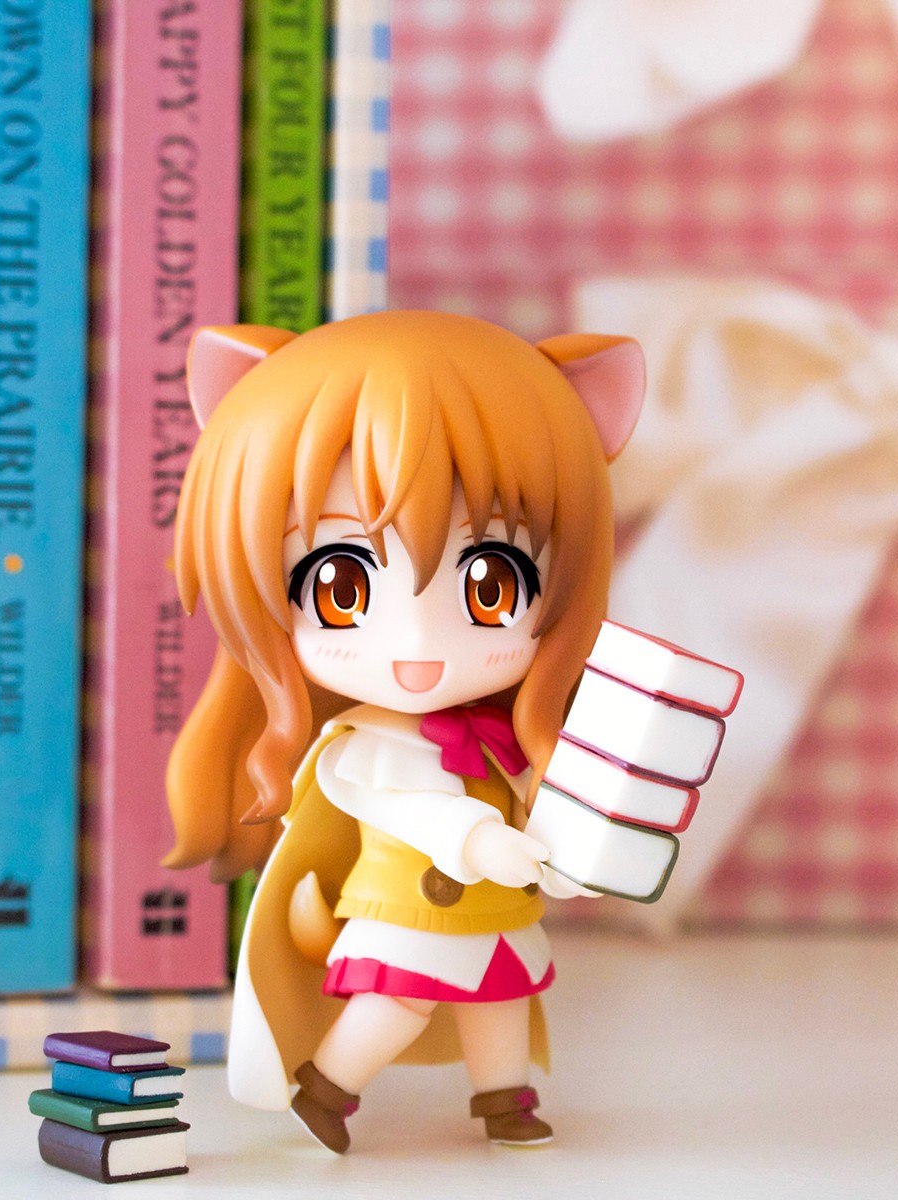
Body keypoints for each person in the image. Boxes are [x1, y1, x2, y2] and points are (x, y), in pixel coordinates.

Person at [163, 311, 644, 1152]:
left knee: (500, 997)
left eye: (490, 585)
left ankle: (504, 1100)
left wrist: (572, 857)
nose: (418, 645)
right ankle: (326, 1087)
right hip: (408, 910)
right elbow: (404, 809)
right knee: (397, 1001)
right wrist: (477, 841)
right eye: (342, 588)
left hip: (497, 907)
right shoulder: (357, 748)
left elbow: (535, 802)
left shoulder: (508, 733)